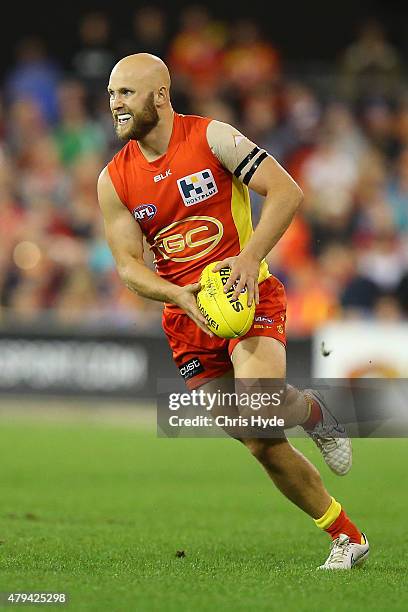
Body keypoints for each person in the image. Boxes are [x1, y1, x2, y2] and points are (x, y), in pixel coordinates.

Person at [97, 53, 369, 570]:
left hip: (248, 296)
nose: (115, 104)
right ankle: (345, 530)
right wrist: (177, 296)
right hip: (188, 319)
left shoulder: (212, 138)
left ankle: (309, 415)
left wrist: (249, 259)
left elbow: (286, 190)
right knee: (260, 443)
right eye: (111, 94)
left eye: (126, 93)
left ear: (160, 94)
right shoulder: (114, 180)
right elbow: (128, 267)